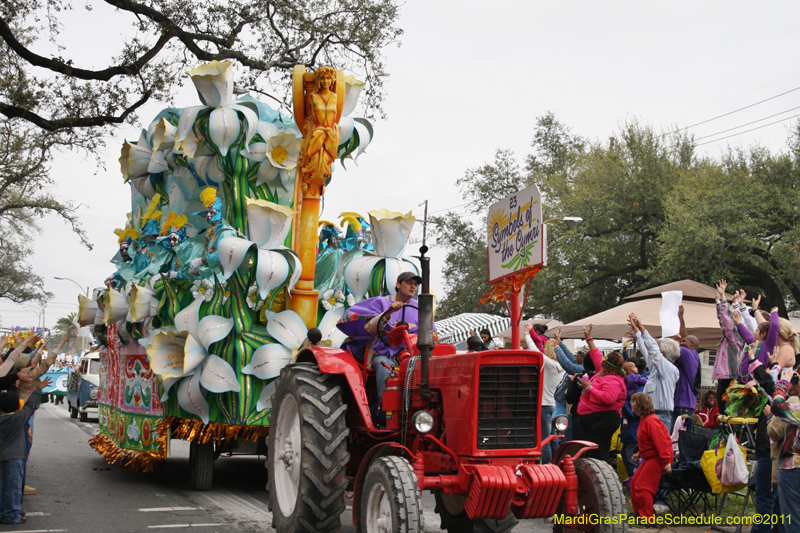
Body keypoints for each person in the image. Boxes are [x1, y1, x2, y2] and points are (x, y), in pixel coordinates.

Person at [336, 271, 429, 425]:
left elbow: (430, 333)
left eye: (416, 284)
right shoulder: (381, 303)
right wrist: (388, 314)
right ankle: (384, 414)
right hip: (386, 353)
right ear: (398, 284)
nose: (413, 286)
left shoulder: (420, 308)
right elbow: (370, 326)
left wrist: (412, 327)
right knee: (385, 367)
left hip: (412, 355)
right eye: (409, 282)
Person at [572, 325, 627, 463]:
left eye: (605, 358)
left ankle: (601, 478)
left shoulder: (613, 380)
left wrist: (589, 388)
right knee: (593, 453)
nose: (602, 359)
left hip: (603, 420)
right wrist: (588, 338)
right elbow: (595, 354)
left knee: (599, 454)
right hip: (595, 420)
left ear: (608, 364)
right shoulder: (604, 371)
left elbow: (608, 399)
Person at [0, 376, 50, 525]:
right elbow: (30, 404)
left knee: (2, 487)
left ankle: (3, 513)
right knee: (13, 488)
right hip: (14, 458)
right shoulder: (18, 418)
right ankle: (11, 515)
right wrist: (38, 388)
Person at [630, 313, 680, 432]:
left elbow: (653, 352)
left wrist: (643, 329)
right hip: (652, 415)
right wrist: (637, 332)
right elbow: (646, 351)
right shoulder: (656, 369)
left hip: (661, 416)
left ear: (662, 354)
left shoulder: (668, 368)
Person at [629, 392, 673, 520]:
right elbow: (648, 441)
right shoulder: (644, 419)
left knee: (642, 487)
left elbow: (661, 442)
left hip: (659, 458)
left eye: (633, 401)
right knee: (634, 483)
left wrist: (666, 461)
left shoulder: (651, 421)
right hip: (650, 456)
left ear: (639, 404)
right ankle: (639, 513)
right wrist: (639, 453)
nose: (630, 404)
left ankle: (648, 518)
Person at [526, 331, 564, 464]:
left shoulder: (551, 365)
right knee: (552, 439)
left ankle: (545, 466)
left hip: (544, 405)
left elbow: (535, 351)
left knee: (544, 441)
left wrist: (527, 334)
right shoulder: (560, 366)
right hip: (553, 406)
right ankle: (555, 465)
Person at [672, 305, 700, 430]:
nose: (680, 343)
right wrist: (681, 318)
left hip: (681, 403)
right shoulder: (692, 355)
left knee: (677, 436)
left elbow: (672, 347)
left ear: (691, 344)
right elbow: (685, 338)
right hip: (686, 403)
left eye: (683, 342)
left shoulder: (687, 353)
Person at [621, 358, 648, 478]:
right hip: (630, 425)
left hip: (634, 424)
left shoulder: (638, 386)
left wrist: (622, 405)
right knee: (625, 452)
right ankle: (633, 479)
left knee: (629, 453)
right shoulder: (640, 383)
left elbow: (638, 407)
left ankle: (637, 478)